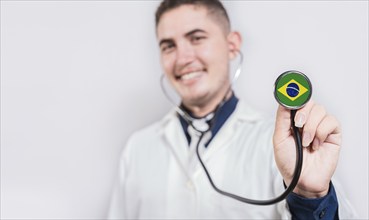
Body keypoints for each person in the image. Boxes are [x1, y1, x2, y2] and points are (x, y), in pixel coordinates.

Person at [108, 0, 356, 219]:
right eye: (168, 46)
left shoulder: (289, 145)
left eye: (196, 38)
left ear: (232, 45)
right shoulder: (138, 148)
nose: (182, 58)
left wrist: (309, 196)